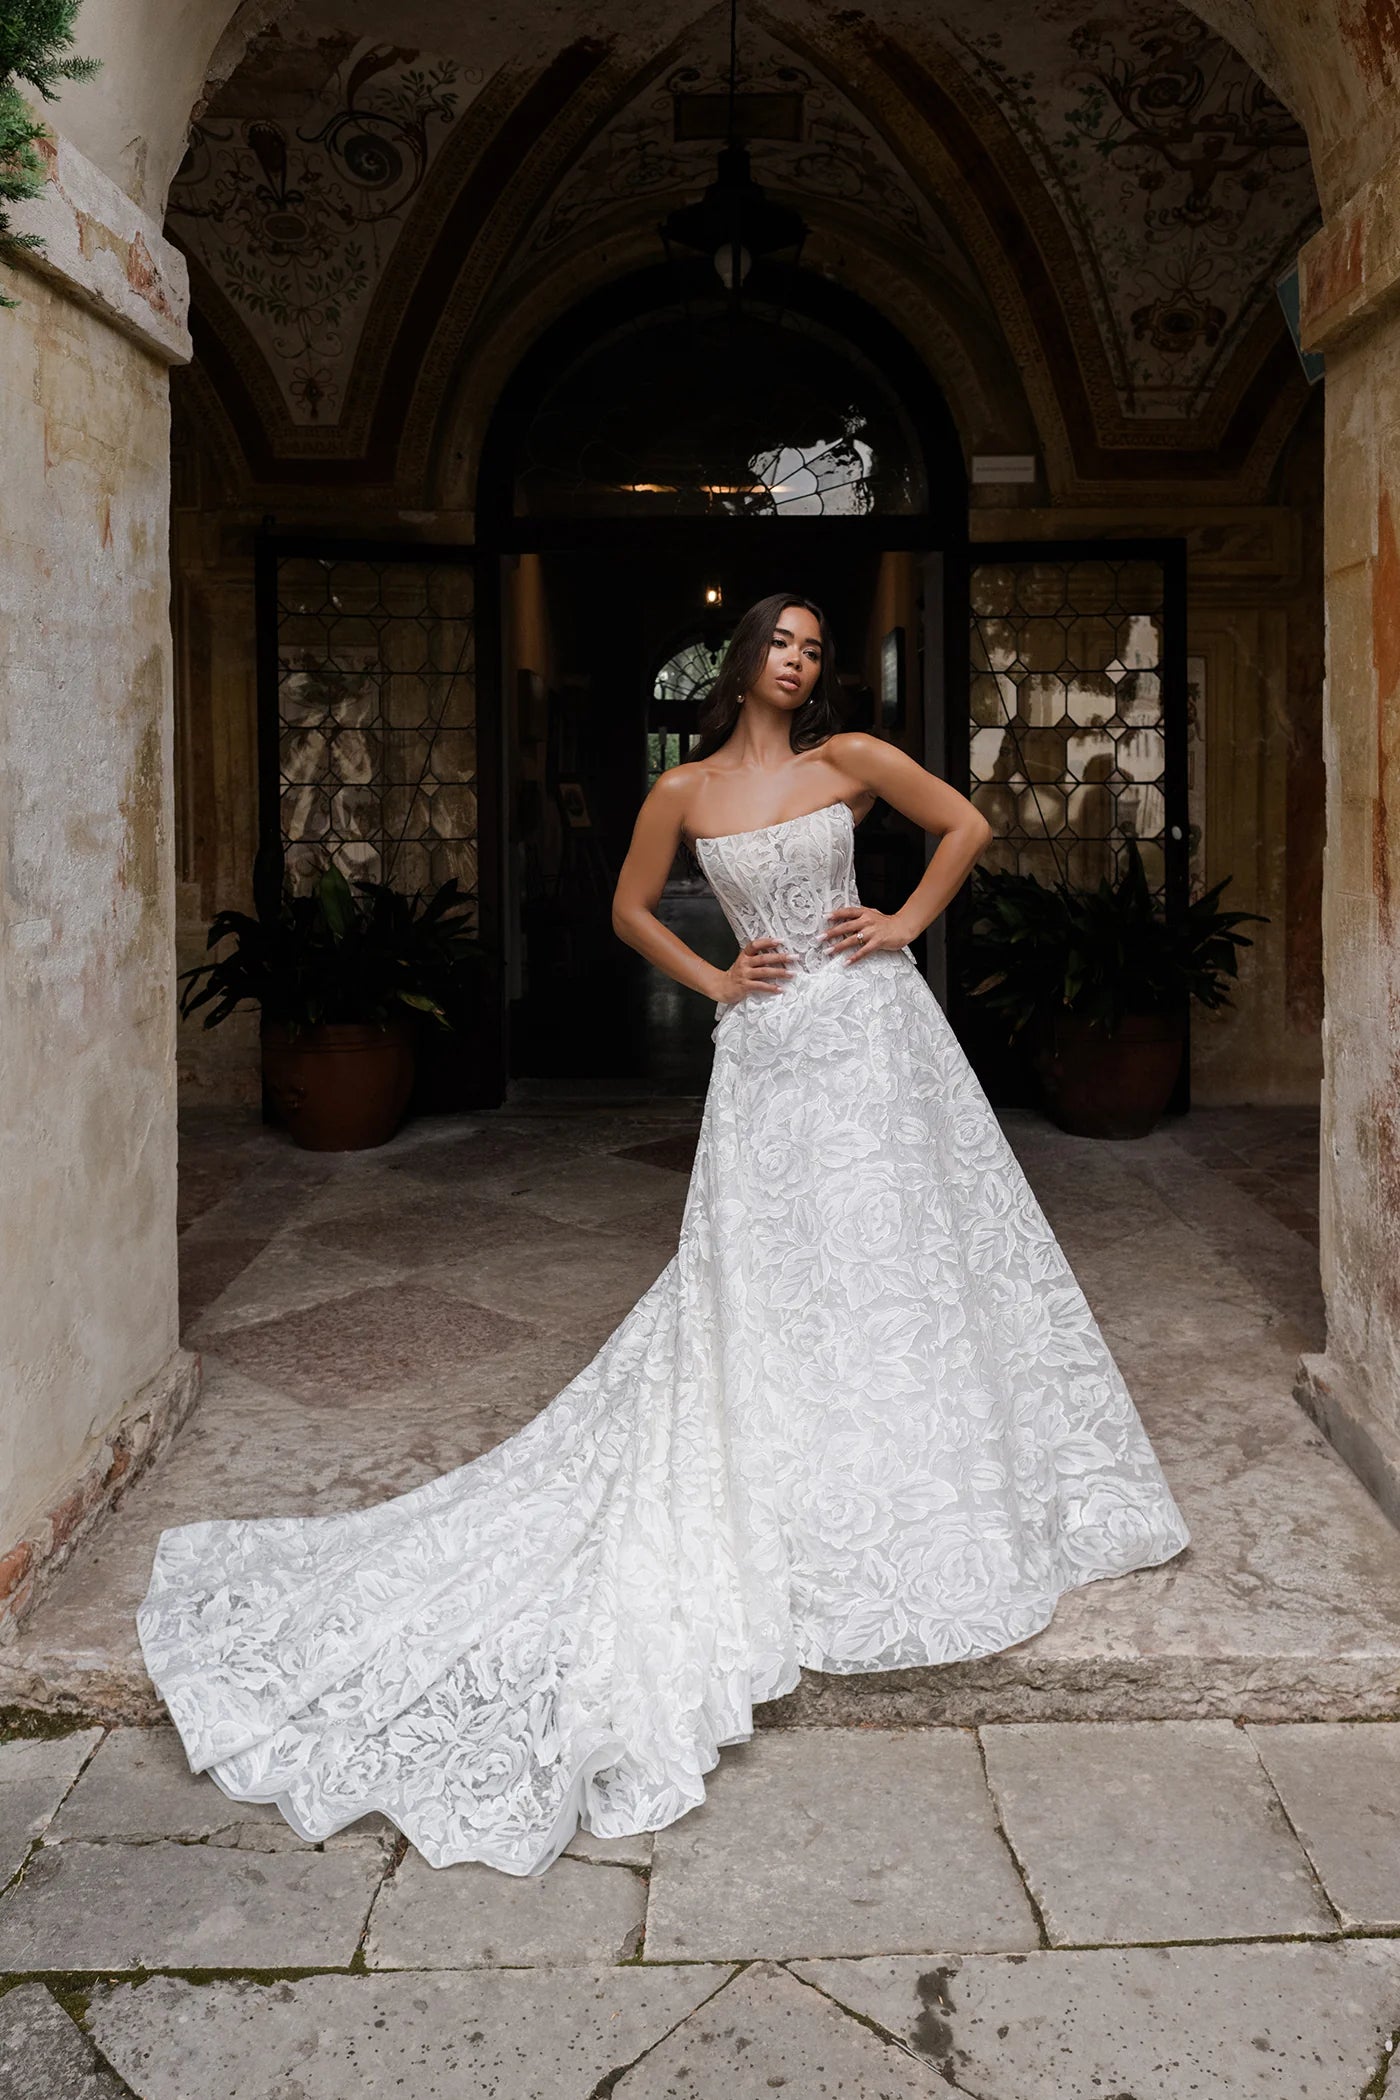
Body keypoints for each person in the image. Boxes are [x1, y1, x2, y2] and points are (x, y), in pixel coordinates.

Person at [137, 591, 1189, 1877]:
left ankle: (916, 1472)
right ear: (742, 658)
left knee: (902, 1256)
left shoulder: (844, 764)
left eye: (814, 649)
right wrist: (713, 986)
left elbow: (964, 823)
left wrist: (904, 923)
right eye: (782, 645)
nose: (799, 664)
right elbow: (633, 912)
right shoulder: (679, 792)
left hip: (873, 1037)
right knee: (770, 1272)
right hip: (765, 1054)